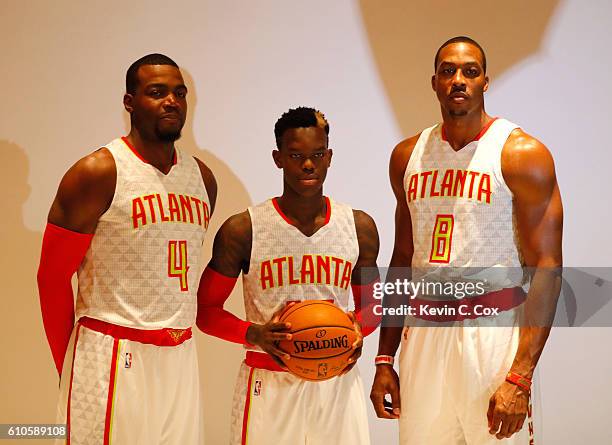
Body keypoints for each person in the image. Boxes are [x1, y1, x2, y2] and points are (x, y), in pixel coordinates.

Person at [369, 36, 563, 444]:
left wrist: (520, 376)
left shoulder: (520, 153)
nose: (459, 80)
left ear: (485, 82)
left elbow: (547, 266)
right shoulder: (407, 156)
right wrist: (384, 358)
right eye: (449, 71)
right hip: (424, 333)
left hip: (491, 333)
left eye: (470, 72)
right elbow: (403, 256)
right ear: (435, 81)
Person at [37, 53, 217, 444]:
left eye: (179, 93)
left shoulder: (202, 178)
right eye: (157, 92)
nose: (172, 101)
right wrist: (69, 364)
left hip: (180, 352)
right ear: (129, 102)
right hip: (111, 352)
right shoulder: (98, 172)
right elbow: (50, 280)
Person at [196, 107, 380, 445]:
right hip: (269, 383)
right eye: (296, 156)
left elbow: (374, 307)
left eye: (316, 155)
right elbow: (205, 311)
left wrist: (355, 329)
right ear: (278, 158)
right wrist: (255, 334)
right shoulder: (244, 229)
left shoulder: (359, 227)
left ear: (329, 157)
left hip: (335, 383)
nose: (308, 165)